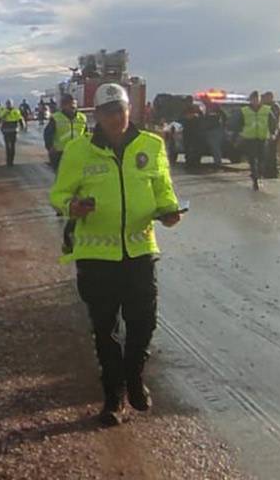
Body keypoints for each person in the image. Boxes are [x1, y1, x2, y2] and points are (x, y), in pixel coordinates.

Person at [49, 82, 182, 427]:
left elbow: (162, 187)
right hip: (97, 257)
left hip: (139, 249)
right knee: (104, 328)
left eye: (120, 110)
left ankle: (134, 375)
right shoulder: (79, 151)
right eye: (108, 113)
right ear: (99, 116)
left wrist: (169, 211)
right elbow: (59, 194)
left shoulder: (152, 145)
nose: (116, 118)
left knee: (143, 322)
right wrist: (71, 206)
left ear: (129, 110)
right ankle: (113, 397)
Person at [44, 93, 88, 171]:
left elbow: (86, 134)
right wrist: (50, 147)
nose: (73, 107)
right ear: (63, 106)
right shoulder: (56, 118)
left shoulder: (82, 118)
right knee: (61, 177)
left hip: (78, 152)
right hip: (60, 153)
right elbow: (47, 134)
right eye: (70, 104)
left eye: (74, 104)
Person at [240, 91, 272, 190]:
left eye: (257, 99)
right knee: (252, 160)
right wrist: (239, 133)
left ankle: (260, 174)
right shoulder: (244, 110)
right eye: (253, 99)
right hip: (250, 139)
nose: (255, 101)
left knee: (262, 159)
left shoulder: (266, 110)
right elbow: (238, 122)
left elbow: (272, 122)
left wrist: (274, 133)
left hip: (263, 138)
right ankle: (255, 179)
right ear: (250, 100)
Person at [0, 99, 26, 167]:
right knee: (9, 146)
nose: (8, 105)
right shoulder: (5, 111)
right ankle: (9, 161)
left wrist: (22, 126)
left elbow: (20, 119)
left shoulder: (15, 111)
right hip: (7, 131)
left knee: (11, 146)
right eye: (8, 104)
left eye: (9, 104)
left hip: (12, 131)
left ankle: (10, 161)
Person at [263, 91, 280, 178]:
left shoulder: (275, 107)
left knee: (272, 153)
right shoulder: (267, 106)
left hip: (274, 131)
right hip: (268, 131)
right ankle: (268, 171)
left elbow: (275, 121)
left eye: (266, 97)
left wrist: (273, 133)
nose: (264, 99)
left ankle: (274, 172)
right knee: (268, 153)